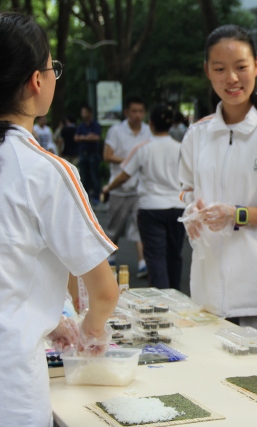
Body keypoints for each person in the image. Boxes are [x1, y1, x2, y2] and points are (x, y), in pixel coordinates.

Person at [0, 12, 119, 426]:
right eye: (54, 68)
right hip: (11, 387)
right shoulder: (45, 170)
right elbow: (104, 292)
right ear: (37, 81)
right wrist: (92, 331)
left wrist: (48, 318)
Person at [178, 25, 257, 346]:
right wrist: (192, 213)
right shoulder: (197, 134)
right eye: (220, 69)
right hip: (207, 299)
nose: (231, 78)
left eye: (240, 67)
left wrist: (237, 214)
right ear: (207, 71)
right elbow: (186, 191)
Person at [103, 104, 185, 290]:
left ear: (151, 124)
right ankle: (176, 295)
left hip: (151, 208)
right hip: (177, 206)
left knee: (156, 256)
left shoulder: (143, 148)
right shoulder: (181, 148)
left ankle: (162, 300)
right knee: (175, 255)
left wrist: (108, 187)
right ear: (171, 125)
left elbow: (125, 174)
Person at [103, 96, 151, 276]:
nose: (137, 115)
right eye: (134, 111)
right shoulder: (116, 131)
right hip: (119, 187)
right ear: (127, 113)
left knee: (139, 226)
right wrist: (131, 161)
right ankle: (111, 257)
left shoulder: (148, 131)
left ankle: (142, 262)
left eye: (140, 111)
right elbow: (107, 155)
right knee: (115, 227)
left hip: (139, 188)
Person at [75, 104, 102, 205]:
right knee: (84, 176)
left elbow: (96, 138)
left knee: (94, 176)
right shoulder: (81, 126)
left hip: (93, 154)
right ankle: (85, 197)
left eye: (85, 112)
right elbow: (76, 138)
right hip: (83, 154)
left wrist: (82, 137)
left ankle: (96, 196)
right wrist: (88, 137)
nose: (83, 114)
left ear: (90, 113)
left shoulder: (95, 125)